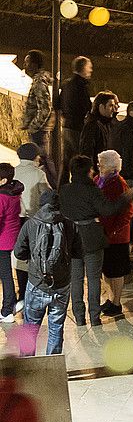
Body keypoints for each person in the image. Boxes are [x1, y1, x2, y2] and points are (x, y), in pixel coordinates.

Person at [58, 154, 133, 326]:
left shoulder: (64, 190)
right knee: (93, 279)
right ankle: (94, 316)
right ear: (88, 171)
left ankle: (78, 317)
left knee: (75, 280)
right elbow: (108, 209)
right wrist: (127, 196)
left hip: (71, 239)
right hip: (92, 238)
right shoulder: (92, 190)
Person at [13, 189, 80, 355]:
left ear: (41, 205)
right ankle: (52, 365)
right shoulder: (70, 224)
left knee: (30, 328)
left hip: (37, 283)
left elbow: (18, 252)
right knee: (56, 327)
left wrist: (33, 258)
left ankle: (27, 364)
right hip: (61, 285)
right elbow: (79, 252)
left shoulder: (31, 224)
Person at [96, 150, 133, 319]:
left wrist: (113, 230)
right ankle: (110, 299)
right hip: (103, 234)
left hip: (116, 237)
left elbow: (127, 212)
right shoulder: (99, 180)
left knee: (116, 271)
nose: (98, 166)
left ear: (111, 168)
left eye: (101, 164)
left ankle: (116, 302)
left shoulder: (119, 184)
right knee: (107, 270)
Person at [12, 144, 49, 308]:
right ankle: (32, 290)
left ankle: (21, 293)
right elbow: (47, 194)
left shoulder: (13, 172)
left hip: (15, 220)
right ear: (35, 157)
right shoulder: (39, 173)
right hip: (32, 220)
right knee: (34, 255)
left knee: (19, 256)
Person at [110, 100, 133, 249]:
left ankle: (130, 241)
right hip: (130, 175)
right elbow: (130, 153)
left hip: (125, 173)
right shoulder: (130, 130)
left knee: (131, 210)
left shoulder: (126, 127)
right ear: (132, 113)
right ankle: (130, 241)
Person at [19, 51, 55, 179]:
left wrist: (33, 126)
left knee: (44, 161)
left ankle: (54, 189)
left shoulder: (39, 82)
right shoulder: (37, 80)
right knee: (42, 161)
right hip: (40, 129)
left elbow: (45, 108)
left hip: (40, 130)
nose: (25, 65)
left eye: (27, 62)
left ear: (34, 64)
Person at [58, 56, 93, 171]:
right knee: (79, 161)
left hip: (66, 126)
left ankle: (62, 186)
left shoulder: (67, 84)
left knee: (66, 161)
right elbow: (87, 107)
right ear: (83, 68)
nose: (91, 70)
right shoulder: (81, 86)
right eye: (89, 68)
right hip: (78, 128)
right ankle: (77, 185)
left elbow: (58, 104)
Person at [0, 162, 21, 324]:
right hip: (11, 237)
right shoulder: (13, 193)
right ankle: (11, 303)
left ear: (3, 180)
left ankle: (7, 310)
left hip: (2, 240)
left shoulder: (1, 197)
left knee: (5, 275)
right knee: (6, 274)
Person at [77, 90, 117, 166]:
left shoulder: (107, 124)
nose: (114, 109)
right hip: (97, 172)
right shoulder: (93, 125)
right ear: (101, 107)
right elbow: (87, 151)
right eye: (110, 106)